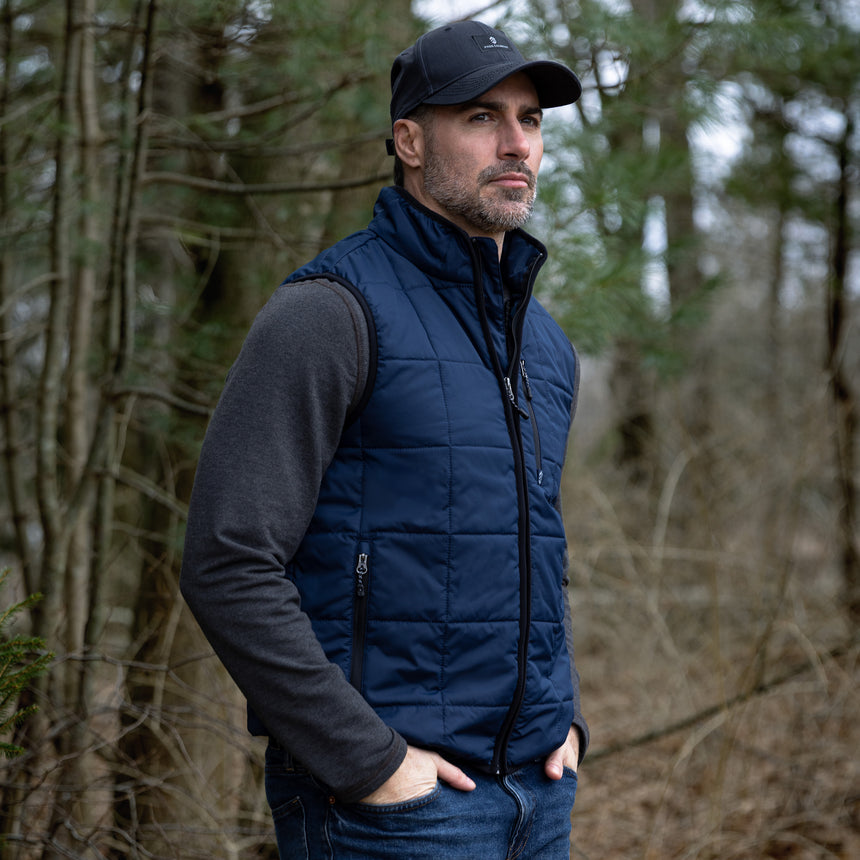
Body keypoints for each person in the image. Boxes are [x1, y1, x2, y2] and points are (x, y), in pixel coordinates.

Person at [180, 19, 588, 860]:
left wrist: (566, 720)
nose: (517, 143)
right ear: (409, 139)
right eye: (481, 117)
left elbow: (533, 552)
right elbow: (227, 561)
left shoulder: (544, 347)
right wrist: (369, 762)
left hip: (540, 800)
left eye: (532, 119)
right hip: (393, 812)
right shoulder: (329, 314)